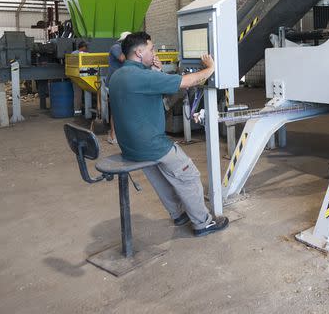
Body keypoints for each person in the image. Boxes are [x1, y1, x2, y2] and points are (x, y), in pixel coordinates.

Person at [109, 31, 228, 237]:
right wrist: (210, 68)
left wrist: (156, 71)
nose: (154, 52)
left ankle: (178, 214)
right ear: (139, 52)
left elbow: (146, 89)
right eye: (152, 49)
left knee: (161, 178)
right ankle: (203, 223)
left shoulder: (118, 74)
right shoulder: (141, 77)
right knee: (188, 175)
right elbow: (186, 82)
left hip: (130, 147)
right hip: (151, 144)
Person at [106, 32, 130, 144]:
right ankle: (113, 135)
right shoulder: (116, 47)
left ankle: (122, 134)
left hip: (123, 82)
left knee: (124, 109)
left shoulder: (125, 50)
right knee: (115, 109)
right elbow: (122, 59)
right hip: (113, 83)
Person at [71, 41, 89, 115]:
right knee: (80, 94)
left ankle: (78, 111)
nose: (86, 49)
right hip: (80, 76)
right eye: (85, 47)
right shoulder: (80, 53)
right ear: (83, 47)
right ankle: (78, 112)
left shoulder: (73, 53)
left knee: (77, 94)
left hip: (75, 75)